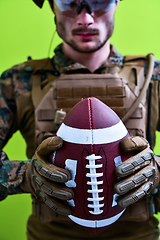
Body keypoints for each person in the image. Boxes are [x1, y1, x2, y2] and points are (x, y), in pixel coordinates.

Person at [0, 0, 160, 239]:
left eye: (98, 2)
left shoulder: (152, 78)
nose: (85, 19)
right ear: (51, 6)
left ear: (116, 2)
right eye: (68, 2)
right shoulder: (17, 82)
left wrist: (156, 169)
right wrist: (24, 175)